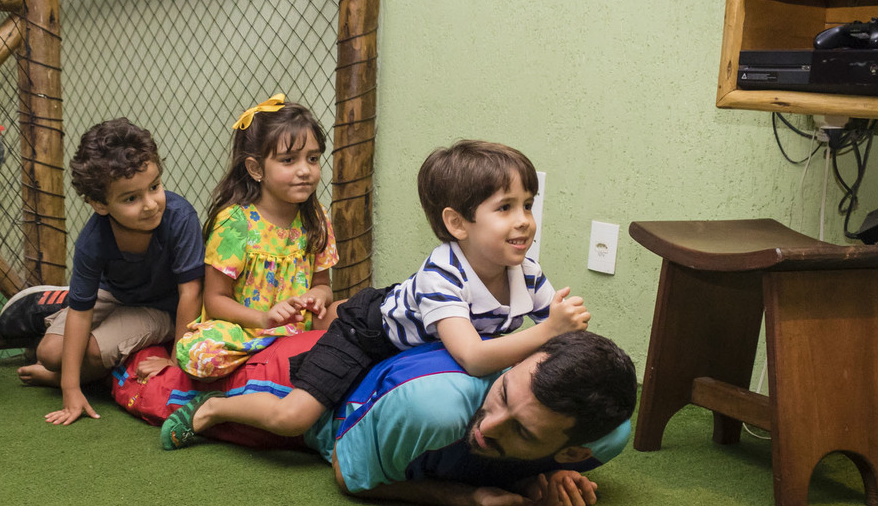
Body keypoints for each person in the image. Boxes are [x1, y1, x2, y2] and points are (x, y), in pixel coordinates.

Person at [161, 139, 589, 450]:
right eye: (505, 208)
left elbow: (561, 338)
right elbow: (474, 357)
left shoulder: (526, 272)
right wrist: (548, 330)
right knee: (292, 418)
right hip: (364, 334)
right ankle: (213, 408)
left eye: (527, 205)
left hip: (404, 320)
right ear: (458, 224)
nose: (524, 220)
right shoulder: (442, 275)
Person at [122, 330, 636, 506]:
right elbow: (350, 475)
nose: (488, 427)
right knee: (144, 385)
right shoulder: (435, 408)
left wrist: (534, 477)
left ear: (573, 452)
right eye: (502, 393)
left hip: (382, 385)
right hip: (305, 384)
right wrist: (472, 501)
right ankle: (205, 399)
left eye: (523, 433)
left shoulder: (607, 437)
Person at [14, 118, 205, 425]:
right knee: (48, 353)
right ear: (100, 204)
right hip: (115, 293)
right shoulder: (93, 239)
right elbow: (81, 313)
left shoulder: (180, 218)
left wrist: (174, 360)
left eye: (154, 187)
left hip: (163, 308)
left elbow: (191, 293)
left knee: (90, 352)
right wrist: (70, 388)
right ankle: (65, 354)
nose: (150, 204)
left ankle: (66, 374)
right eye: (131, 198)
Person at [173, 95, 338, 379]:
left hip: (298, 327)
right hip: (243, 330)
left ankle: (270, 366)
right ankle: (271, 366)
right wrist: (265, 318)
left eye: (312, 159)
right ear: (256, 169)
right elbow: (215, 300)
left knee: (348, 315)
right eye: (289, 160)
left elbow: (323, 285)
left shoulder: (317, 217)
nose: (305, 170)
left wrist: (316, 297)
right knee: (199, 354)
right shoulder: (235, 222)